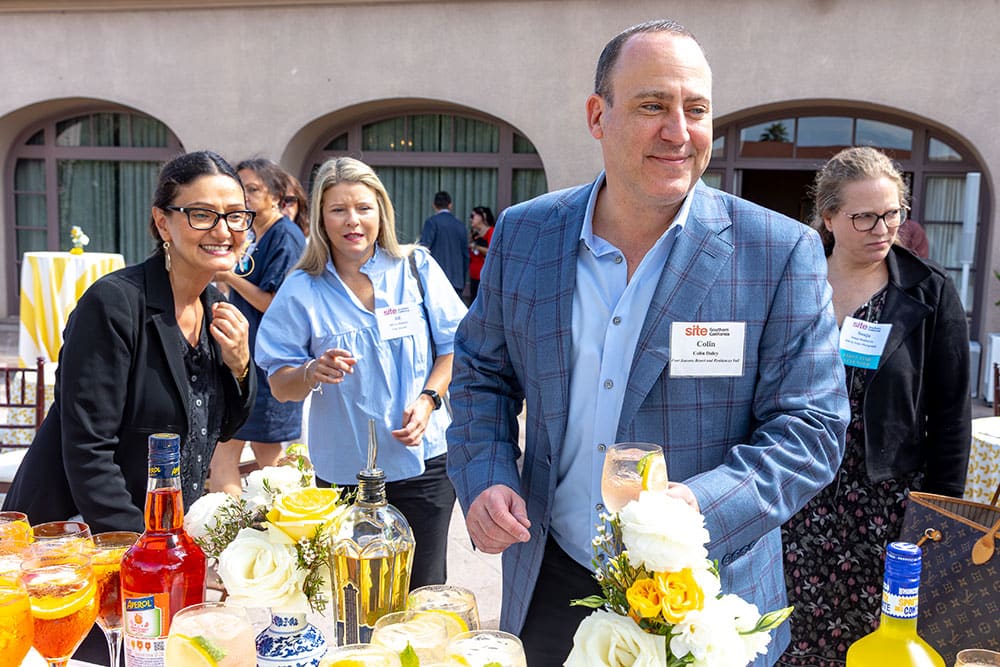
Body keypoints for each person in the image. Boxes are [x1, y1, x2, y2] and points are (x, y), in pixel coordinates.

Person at [445, 19, 850, 666]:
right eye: (653, 105)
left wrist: (695, 509)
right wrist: (486, 473)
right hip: (550, 578)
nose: (679, 131)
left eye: (697, 109)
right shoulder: (526, 234)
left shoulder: (778, 252)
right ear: (597, 116)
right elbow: (481, 373)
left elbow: (812, 429)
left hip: (703, 597)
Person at [779, 147, 970, 665]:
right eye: (864, 216)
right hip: (794, 494)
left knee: (875, 643)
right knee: (789, 637)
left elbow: (951, 417)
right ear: (828, 217)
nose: (882, 229)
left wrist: (939, 517)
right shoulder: (792, 282)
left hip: (886, 508)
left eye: (892, 213)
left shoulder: (929, 292)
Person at [2, 150, 256, 531]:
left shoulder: (216, 308)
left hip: (164, 533)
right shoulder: (114, 304)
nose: (223, 231)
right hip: (77, 536)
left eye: (235, 215)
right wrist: (143, 548)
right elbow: (88, 453)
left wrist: (240, 366)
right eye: (202, 215)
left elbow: (223, 428)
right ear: (163, 223)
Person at [256, 157, 467, 589]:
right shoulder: (302, 288)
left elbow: (455, 348)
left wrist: (429, 399)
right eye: (338, 209)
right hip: (345, 473)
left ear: (381, 212)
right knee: (358, 595)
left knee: (424, 590)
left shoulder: (416, 268)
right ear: (321, 218)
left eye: (363, 208)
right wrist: (311, 371)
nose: (352, 220)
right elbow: (280, 386)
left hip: (424, 465)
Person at [209, 158, 306, 496]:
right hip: (247, 355)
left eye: (253, 189)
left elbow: (272, 302)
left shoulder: (286, 237)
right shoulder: (253, 234)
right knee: (264, 458)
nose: (245, 197)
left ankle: (232, 521)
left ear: (276, 196)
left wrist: (228, 274)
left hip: (268, 361)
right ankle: (272, 520)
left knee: (240, 454)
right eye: (241, 190)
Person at [419, 190, 468, 297]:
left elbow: (423, 249)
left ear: (434, 205)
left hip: (436, 280)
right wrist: (462, 279)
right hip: (456, 280)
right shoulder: (460, 225)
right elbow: (465, 256)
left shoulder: (432, 222)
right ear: (450, 205)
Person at [467, 205, 495, 301]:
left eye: (473, 216)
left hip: (484, 276)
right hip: (474, 275)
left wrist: (476, 247)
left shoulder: (491, 232)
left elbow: (491, 251)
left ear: (483, 216)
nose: (471, 219)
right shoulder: (475, 234)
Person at [279, 170, 310, 237]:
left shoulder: (310, 241)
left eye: (289, 200)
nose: (283, 207)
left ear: (299, 204)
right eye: (276, 201)